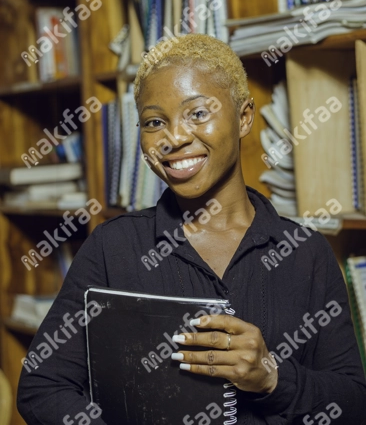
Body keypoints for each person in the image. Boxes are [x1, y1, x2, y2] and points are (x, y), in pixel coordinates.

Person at [17, 34, 366, 424]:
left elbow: (352, 403)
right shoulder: (112, 249)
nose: (175, 138)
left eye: (197, 113)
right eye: (154, 122)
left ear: (244, 117)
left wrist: (272, 378)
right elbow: (42, 387)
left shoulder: (307, 252)